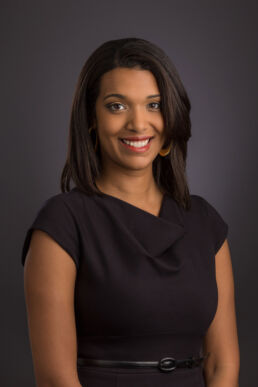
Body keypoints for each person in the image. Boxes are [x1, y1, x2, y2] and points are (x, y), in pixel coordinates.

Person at [21, 37, 240, 387]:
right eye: (117, 106)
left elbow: (222, 367)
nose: (139, 124)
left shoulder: (206, 223)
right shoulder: (62, 224)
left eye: (154, 105)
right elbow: (55, 379)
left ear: (171, 117)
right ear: (91, 119)